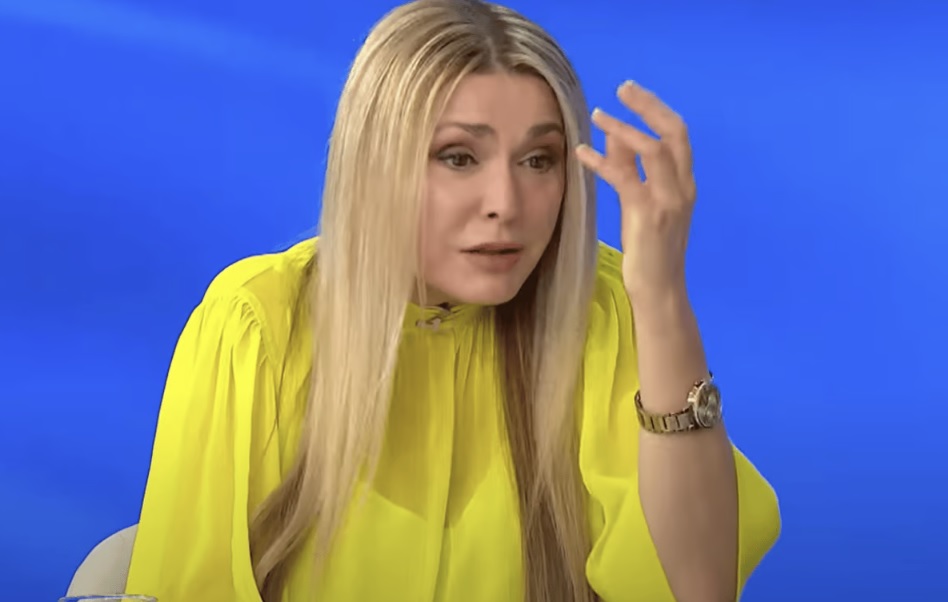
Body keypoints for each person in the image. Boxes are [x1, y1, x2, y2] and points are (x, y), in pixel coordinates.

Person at [125, 0, 781, 600]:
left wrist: (661, 298)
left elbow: (697, 590)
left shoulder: (605, 310)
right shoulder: (256, 323)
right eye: (459, 157)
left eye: (539, 160)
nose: (505, 204)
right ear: (376, 161)